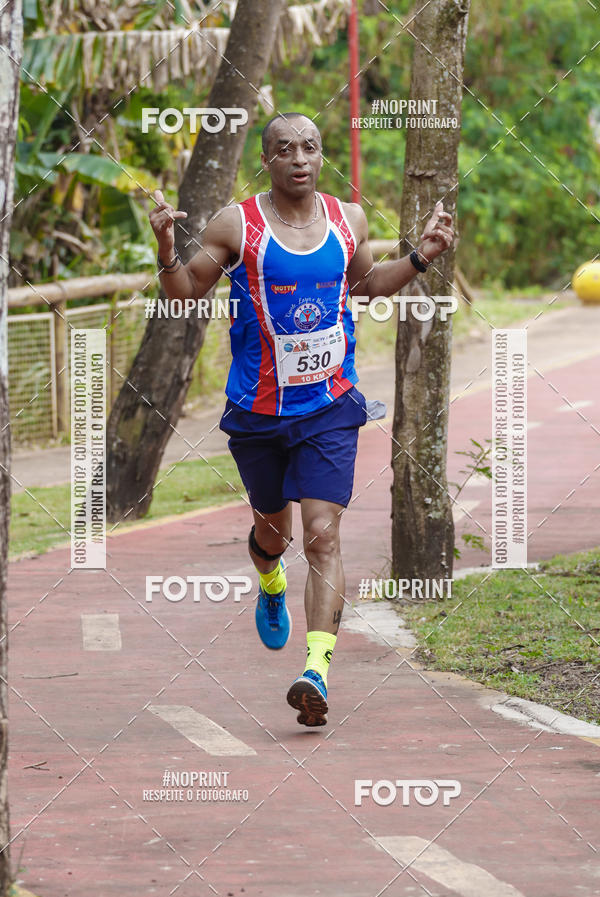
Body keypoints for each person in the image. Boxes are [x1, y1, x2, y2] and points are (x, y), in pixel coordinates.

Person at [149, 112, 454, 727]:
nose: (299, 158)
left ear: (321, 155)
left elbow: (368, 285)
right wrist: (163, 243)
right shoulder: (238, 224)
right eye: (285, 148)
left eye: (310, 148)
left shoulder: (349, 220)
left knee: (323, 534)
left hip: (328, 406)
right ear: (268, 159)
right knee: (275, 536)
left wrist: (420, 257)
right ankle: (269, 582)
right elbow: (182, 292)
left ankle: (315, 671)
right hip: (258, 412)